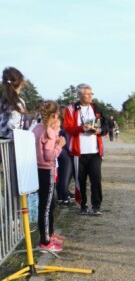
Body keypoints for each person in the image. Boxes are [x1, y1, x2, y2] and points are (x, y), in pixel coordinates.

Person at [64, 83, 107, 216]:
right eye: (87, 94)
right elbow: (68, 128)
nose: (90, 96)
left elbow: (106, 127)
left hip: (95, 151)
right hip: (79, 152)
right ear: (79, 95)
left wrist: (99, 130)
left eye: (91, 93)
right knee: (80, 180)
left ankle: (96, 206)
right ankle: (83, 205)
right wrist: (81, 128)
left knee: (96, 178)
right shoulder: (71, 109)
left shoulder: (96, 108)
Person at [33, 101, 66, 252]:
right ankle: (45, 242)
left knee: (48, 205)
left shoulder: (37, 128)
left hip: (37, 170)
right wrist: (60, 145)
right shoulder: (48, 131)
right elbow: (49, 156)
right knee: (46, 207)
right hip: (46, 170)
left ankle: (49, 234)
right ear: (54, 115)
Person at [0, 67, 27, 139]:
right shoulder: (19, 103)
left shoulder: (1, 102)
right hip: (13, 145)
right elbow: (14, 127)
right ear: (21, 82)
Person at [57, 105, 75, 206]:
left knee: (61, 174)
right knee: (66, 175)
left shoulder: (58, 124)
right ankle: (64, 197)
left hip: (59, 151)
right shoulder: (65, 125)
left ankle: (60, 196)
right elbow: (68, 141)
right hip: (65, 152)